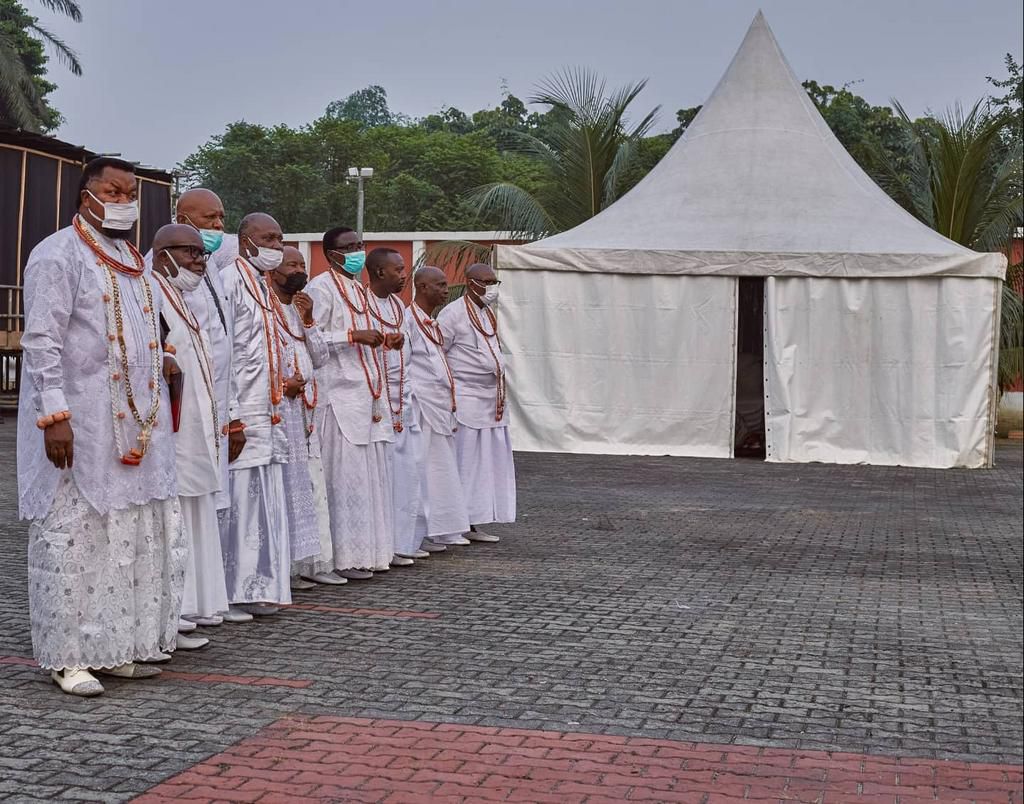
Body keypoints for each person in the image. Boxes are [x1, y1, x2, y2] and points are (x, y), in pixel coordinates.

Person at [18, 157, 187, 696]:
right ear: (84, 195)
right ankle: (68, 656)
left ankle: (114, 647)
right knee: (73, 538)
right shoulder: (56, 255)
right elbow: (41, 341)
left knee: (128, 538)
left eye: (130, 192)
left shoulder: (132, 260)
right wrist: (53, 415)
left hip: (136, 425)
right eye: (112, 191)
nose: (124, 200)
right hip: (80, 422)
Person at [151, 224, 231, 652]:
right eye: (191, 253)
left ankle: (189, 610)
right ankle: (169, 613)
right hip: (169, 432)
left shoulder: (182, 296)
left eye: (202, 254)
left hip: (196, 430)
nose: (200, 261)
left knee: (194, 515)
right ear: (163, 254)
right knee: (173, 520)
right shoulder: (152, 292)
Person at [172, 188, 249, 625]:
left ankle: (202, 602)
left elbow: (226, 346)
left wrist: (232, 412)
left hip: (215, 407)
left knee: (206, 508)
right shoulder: (163, 273)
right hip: (182, 413)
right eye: (211, 219)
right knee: (183, 510)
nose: (220, 226)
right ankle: (177, 607)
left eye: (222, 219)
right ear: (183, 217)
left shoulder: (211, 270)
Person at [306, 227, 395, 580]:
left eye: (361, 245)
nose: (358, 251)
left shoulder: (359, 289)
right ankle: (336, 559)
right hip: (336, 397)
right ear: (331, 254)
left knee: (365, 480)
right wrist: (351, 336)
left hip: (365, 395)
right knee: (341, 481)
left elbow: (366, 332)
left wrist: (385, 338)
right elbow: (310, 336)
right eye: (350, 247)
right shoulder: (320, 288)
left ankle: (365, 554)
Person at [219, 213, 292, 614]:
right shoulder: (230, 281)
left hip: (268, 409)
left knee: (260, 505)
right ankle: (229, 591)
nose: (276, 246)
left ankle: (255, 585)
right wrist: (232, 415)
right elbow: (224, 352)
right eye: (269, 238)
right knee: (236, 505)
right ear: (246, 241)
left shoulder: (261, 285)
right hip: (242, 412)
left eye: (280, 239)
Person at [267, 246, 345, 588]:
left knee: (306, 486)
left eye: (302, 263)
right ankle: (281, 568)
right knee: (283, 487)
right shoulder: (265, 306)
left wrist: (310, 320)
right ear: (273, 269)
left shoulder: (300, 309)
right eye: (291, 264)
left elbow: (320, 357)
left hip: (303, 412)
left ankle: (301, 565)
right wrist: (282, 385)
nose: (299, 269)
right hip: (277, 409)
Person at [437, 263, 516, 542]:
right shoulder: (452, 314)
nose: (492, 288)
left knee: (485, 465)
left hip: (490, 399)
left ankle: (474, 519)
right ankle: (454, 523)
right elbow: (439, 353)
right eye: (487, 281)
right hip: (466, 399)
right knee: (464, 462)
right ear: (471, 283)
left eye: (495, 282)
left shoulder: (485, 313)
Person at [407, 267, 471, 550]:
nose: (446, 290)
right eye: (440, 285)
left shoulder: (430, 322)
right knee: (420, 469)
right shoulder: (408, 319)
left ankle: (441, 529)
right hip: (420, 405)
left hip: (438, 405)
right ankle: (416, 533)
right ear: (422, 286)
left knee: (440, 469)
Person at [366, 249, 422, 564]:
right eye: (398, 269)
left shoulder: (399, 306)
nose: (404, 275)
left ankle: (403, 543)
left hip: (404, 403)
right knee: (382, 479)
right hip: (376, 403)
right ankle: (382, 546)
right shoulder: (362, 305)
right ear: (379, 272)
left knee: (407, 476)